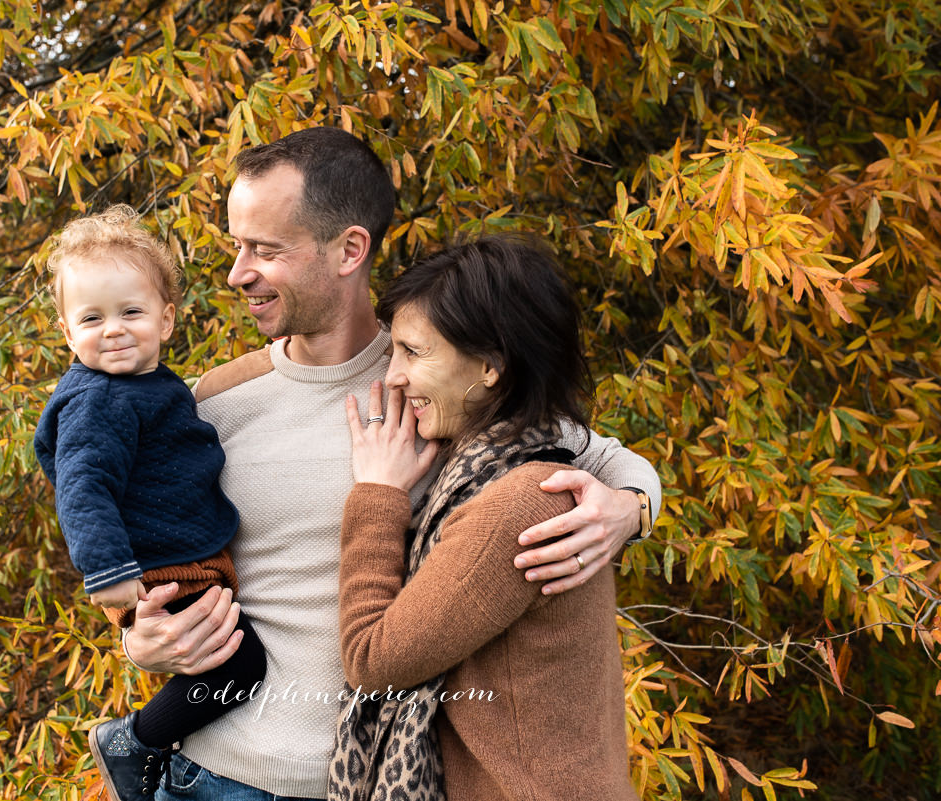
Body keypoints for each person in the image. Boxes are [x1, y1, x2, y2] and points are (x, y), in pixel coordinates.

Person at [120, 127, 659, 800]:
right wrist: (141, 640)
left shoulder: (438, 384)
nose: (237, 272)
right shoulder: (212, 400)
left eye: (264, 249)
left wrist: (630, 508)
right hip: (217, 776)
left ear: (349, 248)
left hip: (375, 783)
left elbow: (603, 459)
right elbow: (156, 558)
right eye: (236, 246)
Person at [330, 236, 637, 801]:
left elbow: (374, 662)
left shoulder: (518, 503)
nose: (392, 376)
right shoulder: (505, 466)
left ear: (491, 366)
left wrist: (376, 495)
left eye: (412, 352)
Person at [33, 205, 266, 801]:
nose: (112, 329)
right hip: (154, 570)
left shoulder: (149, 388)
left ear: (165, 321)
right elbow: (83, 488)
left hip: (181, 556)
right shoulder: (99, 401)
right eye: (91, 318)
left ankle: (142, 742)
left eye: (130, 312)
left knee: (230, 660)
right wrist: (108, 573)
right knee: (239, 667)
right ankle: (134, 742)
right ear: (66, 333)